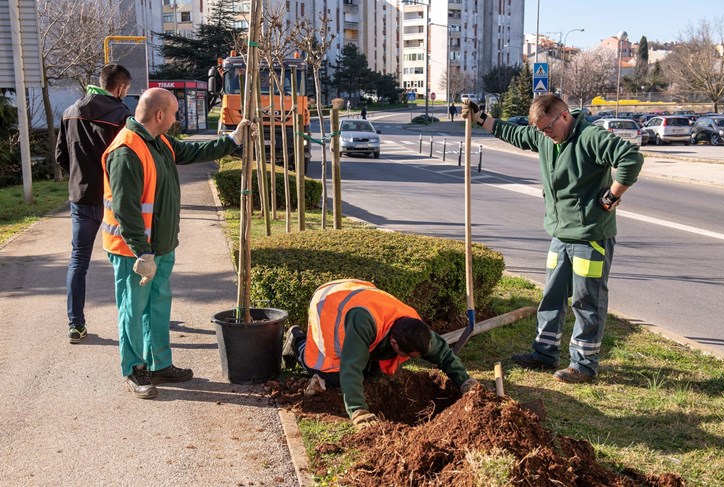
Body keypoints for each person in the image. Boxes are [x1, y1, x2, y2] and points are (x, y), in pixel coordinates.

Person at [462, 94, 643, 384]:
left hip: (590, 236)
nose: (545, 135)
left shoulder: (590, 136)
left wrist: (612, 195)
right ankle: (544, 352)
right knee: (552, 295)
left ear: (563, 116)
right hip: (560, 233)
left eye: (548, 128)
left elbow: (631, 158)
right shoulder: (546, 137)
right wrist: (480, 118)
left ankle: (583, 364)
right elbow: (516, 134)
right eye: (541, 131)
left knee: (587, 301)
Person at [102, 87, 256, 399]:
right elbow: (126, 209)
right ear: (159, 115)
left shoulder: (158, 142)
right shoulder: (127, 150)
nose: (176, 119)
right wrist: (142, 252)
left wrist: (232, 141)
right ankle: (133, 369)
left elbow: (191, 152)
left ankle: (160, 364)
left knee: (158, 306)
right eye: (173, 114)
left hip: (160, 246)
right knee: (133, 310)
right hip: (135, 251)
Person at [282, 279, 479, 430]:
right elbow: (351, 367)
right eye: (408, 355)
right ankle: (297, 341)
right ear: (394, 342)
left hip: (359, 292)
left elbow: (443, 353)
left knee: (372, 371)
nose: (410, 359)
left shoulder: (414, 328)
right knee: (331, 374)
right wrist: (358, 410)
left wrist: (465, 382)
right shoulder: (364, 323)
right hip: (330, 302)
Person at [55, 64, 132, 344]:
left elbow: (61, 156)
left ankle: (76, 324)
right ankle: (134, 314)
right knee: (126, 258)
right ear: (120, 88)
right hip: (115, 197)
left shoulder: (69, 113)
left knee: (78, 260)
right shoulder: (122, 115)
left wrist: (78, 177)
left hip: (82, 196)